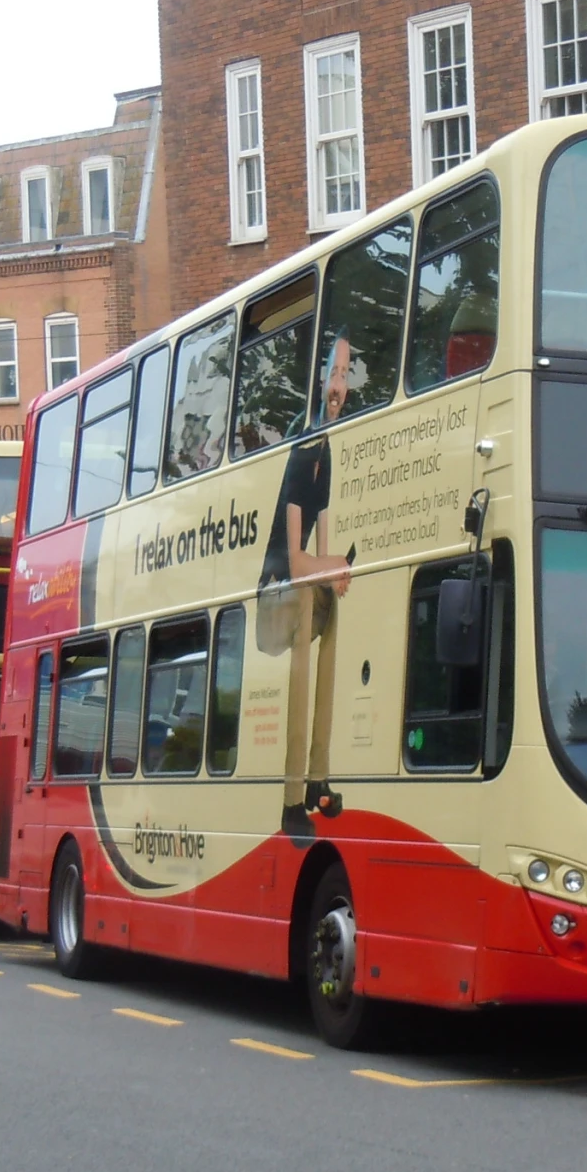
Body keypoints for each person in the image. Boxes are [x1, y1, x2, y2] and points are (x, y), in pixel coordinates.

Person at [260, 335, 354, 841]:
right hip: (274, 598)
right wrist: (330, 565)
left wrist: (337, 571)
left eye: (345, 376)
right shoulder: (303, 446)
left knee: (334, 603)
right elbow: (297, 564)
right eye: (333, 374)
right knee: (306, 595)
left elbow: (325, 543)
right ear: (317, 380)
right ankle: (291, 799)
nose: (339, 387)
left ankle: (319, 775)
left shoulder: (329, 447)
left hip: (297, 588)